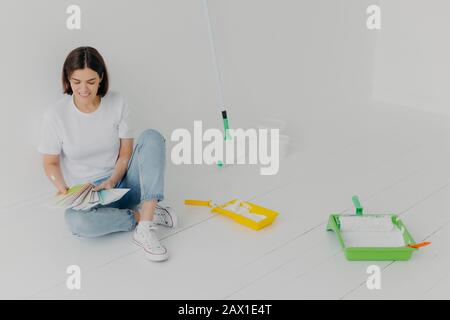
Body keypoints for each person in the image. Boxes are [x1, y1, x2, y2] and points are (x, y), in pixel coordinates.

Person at [38, 46, 176, 262]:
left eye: (91, 82)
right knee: (76, 222)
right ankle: (144, 216)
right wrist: (63, 189)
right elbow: (50, 162)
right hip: (88, 194)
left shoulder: (118, 102)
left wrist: (112, 180)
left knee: (152, 136)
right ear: (68, 79)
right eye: (77, 82)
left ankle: (145, 228)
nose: (84, 89)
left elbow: (125, 153)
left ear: (101, 78)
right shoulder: (55, 115)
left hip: (121, 183)